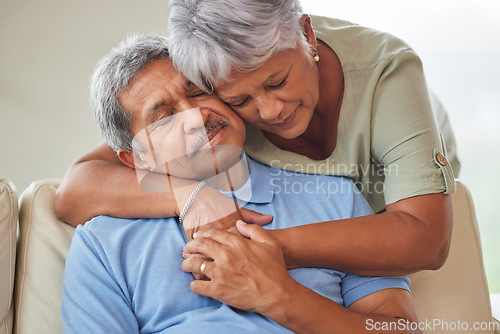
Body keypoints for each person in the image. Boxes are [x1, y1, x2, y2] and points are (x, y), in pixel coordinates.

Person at [55, 0, 457, 276]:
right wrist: (189, 195)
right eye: (240, 98)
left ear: (307, 35)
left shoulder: (386, 72)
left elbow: (427, 239)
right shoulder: (206, 108)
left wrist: (255, 247)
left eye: (277, 81)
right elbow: (77, 187)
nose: (270, 111)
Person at [61, 35, 420, 334]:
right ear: (138, 159)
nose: (197, 117)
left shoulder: (335, 198)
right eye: (166, 116)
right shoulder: (102, 244)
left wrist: (280, 296)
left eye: (200, 92)